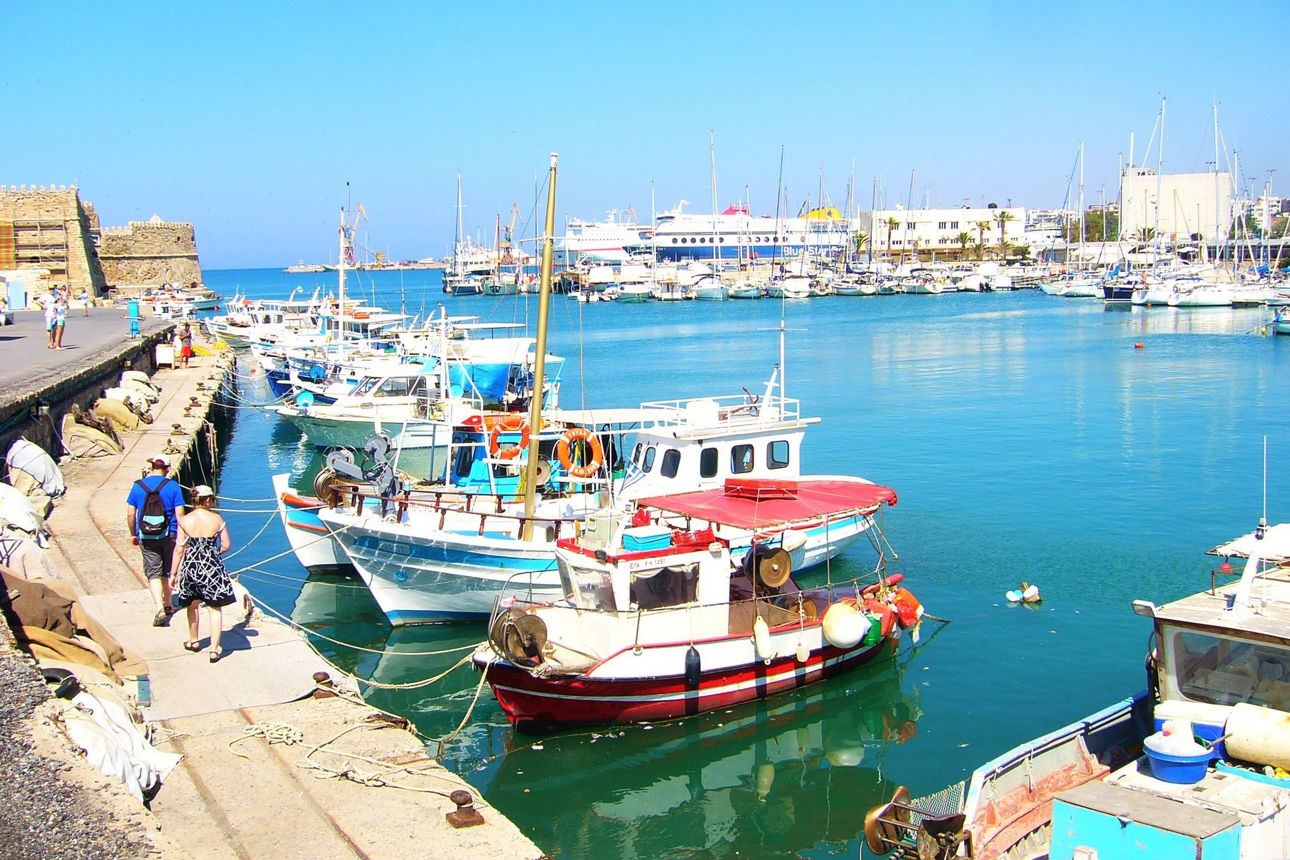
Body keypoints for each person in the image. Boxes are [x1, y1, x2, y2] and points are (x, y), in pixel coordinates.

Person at [170, 485, 234, 662]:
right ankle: (214, 649)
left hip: (191, 565)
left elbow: (179, 549)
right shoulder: (216, 519)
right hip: (211, 566)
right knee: (215, 608)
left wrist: (173, 574)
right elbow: (226, 545)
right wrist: (213, 554)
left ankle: (194, 640)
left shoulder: (185, 520)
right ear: (207, 500)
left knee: (192, 605)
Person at [125, 458, 186, 625]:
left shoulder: (138, 485)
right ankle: (168, 604)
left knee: (153, 572)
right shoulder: (173, 486)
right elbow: (179, 513)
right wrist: (182, 535)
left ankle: (159, 607)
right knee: (167, 570)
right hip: (169, 534)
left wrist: (133, 533)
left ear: (151, 467)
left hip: (146, 535)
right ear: (166, 468)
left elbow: (131, 513)